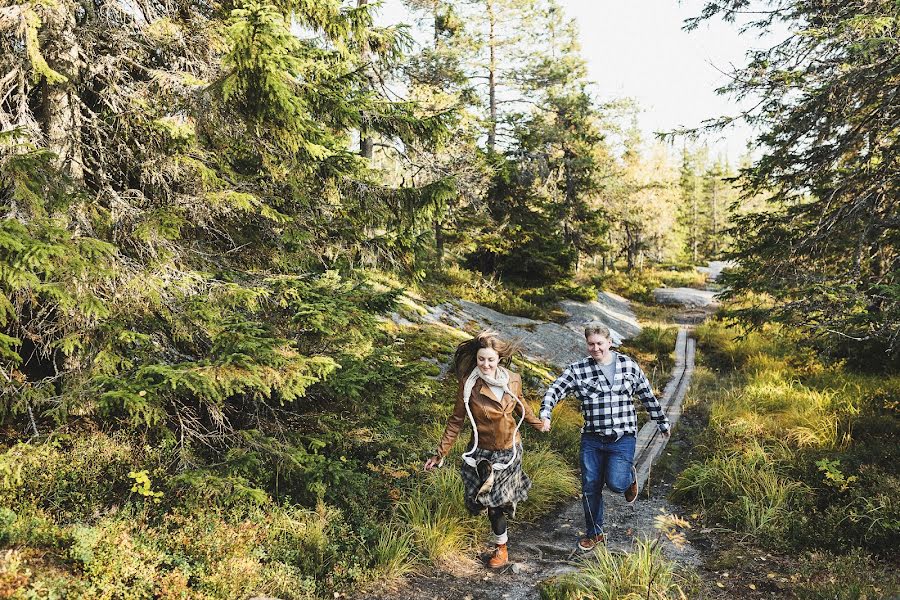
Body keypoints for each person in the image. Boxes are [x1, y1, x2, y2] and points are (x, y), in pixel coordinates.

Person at [539, 322, 670, 551]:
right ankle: (595, 534)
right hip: (592, 439)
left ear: (610, 342)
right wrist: (545, 414)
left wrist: (661, 421)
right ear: (586, 344)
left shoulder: (628, 366)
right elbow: (554, 390)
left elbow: (646, 395)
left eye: (600, 343)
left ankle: (628, 478)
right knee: (590, 487)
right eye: (591, 344)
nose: (596, 348)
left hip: (623, 437)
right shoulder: (578, 370)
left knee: (616, 484)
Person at [424, 330, 545, 568]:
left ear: (499, 358)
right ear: (476, 358)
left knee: (495, 504)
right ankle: (501, 526)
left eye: (490, 359)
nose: (486, 364)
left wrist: (540, 425)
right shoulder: (469, 384)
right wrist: (440, 454)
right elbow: (456, 421)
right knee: (486, 502)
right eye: (481, 359)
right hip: (482, 453)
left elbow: (522, 407)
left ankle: (501, 549)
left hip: (510, 450)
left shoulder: (513, 379)